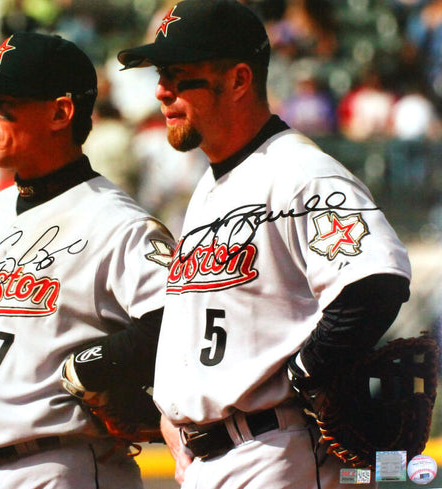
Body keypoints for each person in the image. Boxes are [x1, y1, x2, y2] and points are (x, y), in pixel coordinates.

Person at [118, 1, 411, 488]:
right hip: (217, 457)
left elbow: (376, 282)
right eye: (160, 75)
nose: (161, 91)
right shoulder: (212, 186)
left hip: (276, 450)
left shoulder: (300, 172)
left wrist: (301, 376)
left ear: (238, 80)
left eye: (178, 75)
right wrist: (175, 411)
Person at [0, 32, 175, 489]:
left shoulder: (116, 222)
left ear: (60, 112)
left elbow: (181, 317)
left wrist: (99, 365)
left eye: (3, 102)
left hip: (64, 463)